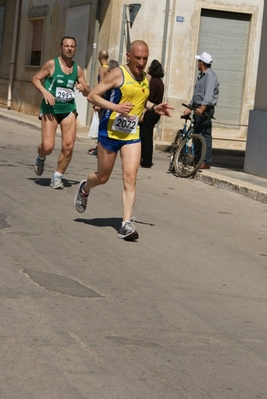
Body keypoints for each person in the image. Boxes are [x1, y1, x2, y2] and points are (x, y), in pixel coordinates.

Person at [74, 40, 174, 240]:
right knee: (103, 177)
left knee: (130, 177)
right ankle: (85, 188)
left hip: (131, 135)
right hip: (110, 132)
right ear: (128, 56)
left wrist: (154, 108)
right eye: (137, 58)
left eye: (145, 58)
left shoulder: (146, 78)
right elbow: (93, 96)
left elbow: (141, 101)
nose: (141, 62)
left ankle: (126, 224)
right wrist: (115, 107)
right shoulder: (118, 74)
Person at [32, 36, 90, 189]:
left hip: (68, 109)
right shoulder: (51, 64)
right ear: (61, 48)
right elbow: (36, 79)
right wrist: (45, 92)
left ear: (75, 49)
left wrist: (84, 88)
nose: (69, 48)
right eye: (66, 46)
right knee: (48, 146)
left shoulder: (78, 69)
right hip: (50, 109)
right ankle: (41, 156)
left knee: (68, 146)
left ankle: (57, 176)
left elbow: (87, 93)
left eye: (72, 46)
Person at [184, 51, 219, 169]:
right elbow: (196, 95)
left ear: (202, 63)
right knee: (197, 134)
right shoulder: (200, 76)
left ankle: (206, 161)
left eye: (199, 61)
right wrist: (190, 107)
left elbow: (208, 95)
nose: (197, 64)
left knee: (205, 135)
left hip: (205, 109)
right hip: (198, 107)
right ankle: (197, 159)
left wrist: (202, 108)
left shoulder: (210, 76)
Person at [88, 57, 120, 156]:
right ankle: (101, 148)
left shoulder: (110, 78)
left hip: (108, 108)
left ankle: (101, 149)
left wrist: (102, 75)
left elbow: (101, 90)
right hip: (108, 107)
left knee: (103, 129)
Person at [140, 59, 165, 168]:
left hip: (150, 111)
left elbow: (150, 99)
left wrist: (143, 113)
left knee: (145, 137)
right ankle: (145, 159)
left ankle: (146, 160)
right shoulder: (160, 82)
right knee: (148, 136)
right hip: (156, 113)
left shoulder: (153, 82)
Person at [88, 49, 110, 156]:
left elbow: (101, 85)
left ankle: (100, 148)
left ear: (99, 56)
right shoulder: (111, 68)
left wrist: (97, 102)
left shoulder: (102, 69)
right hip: (109, 99)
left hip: (103, 100)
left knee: (101, 125)